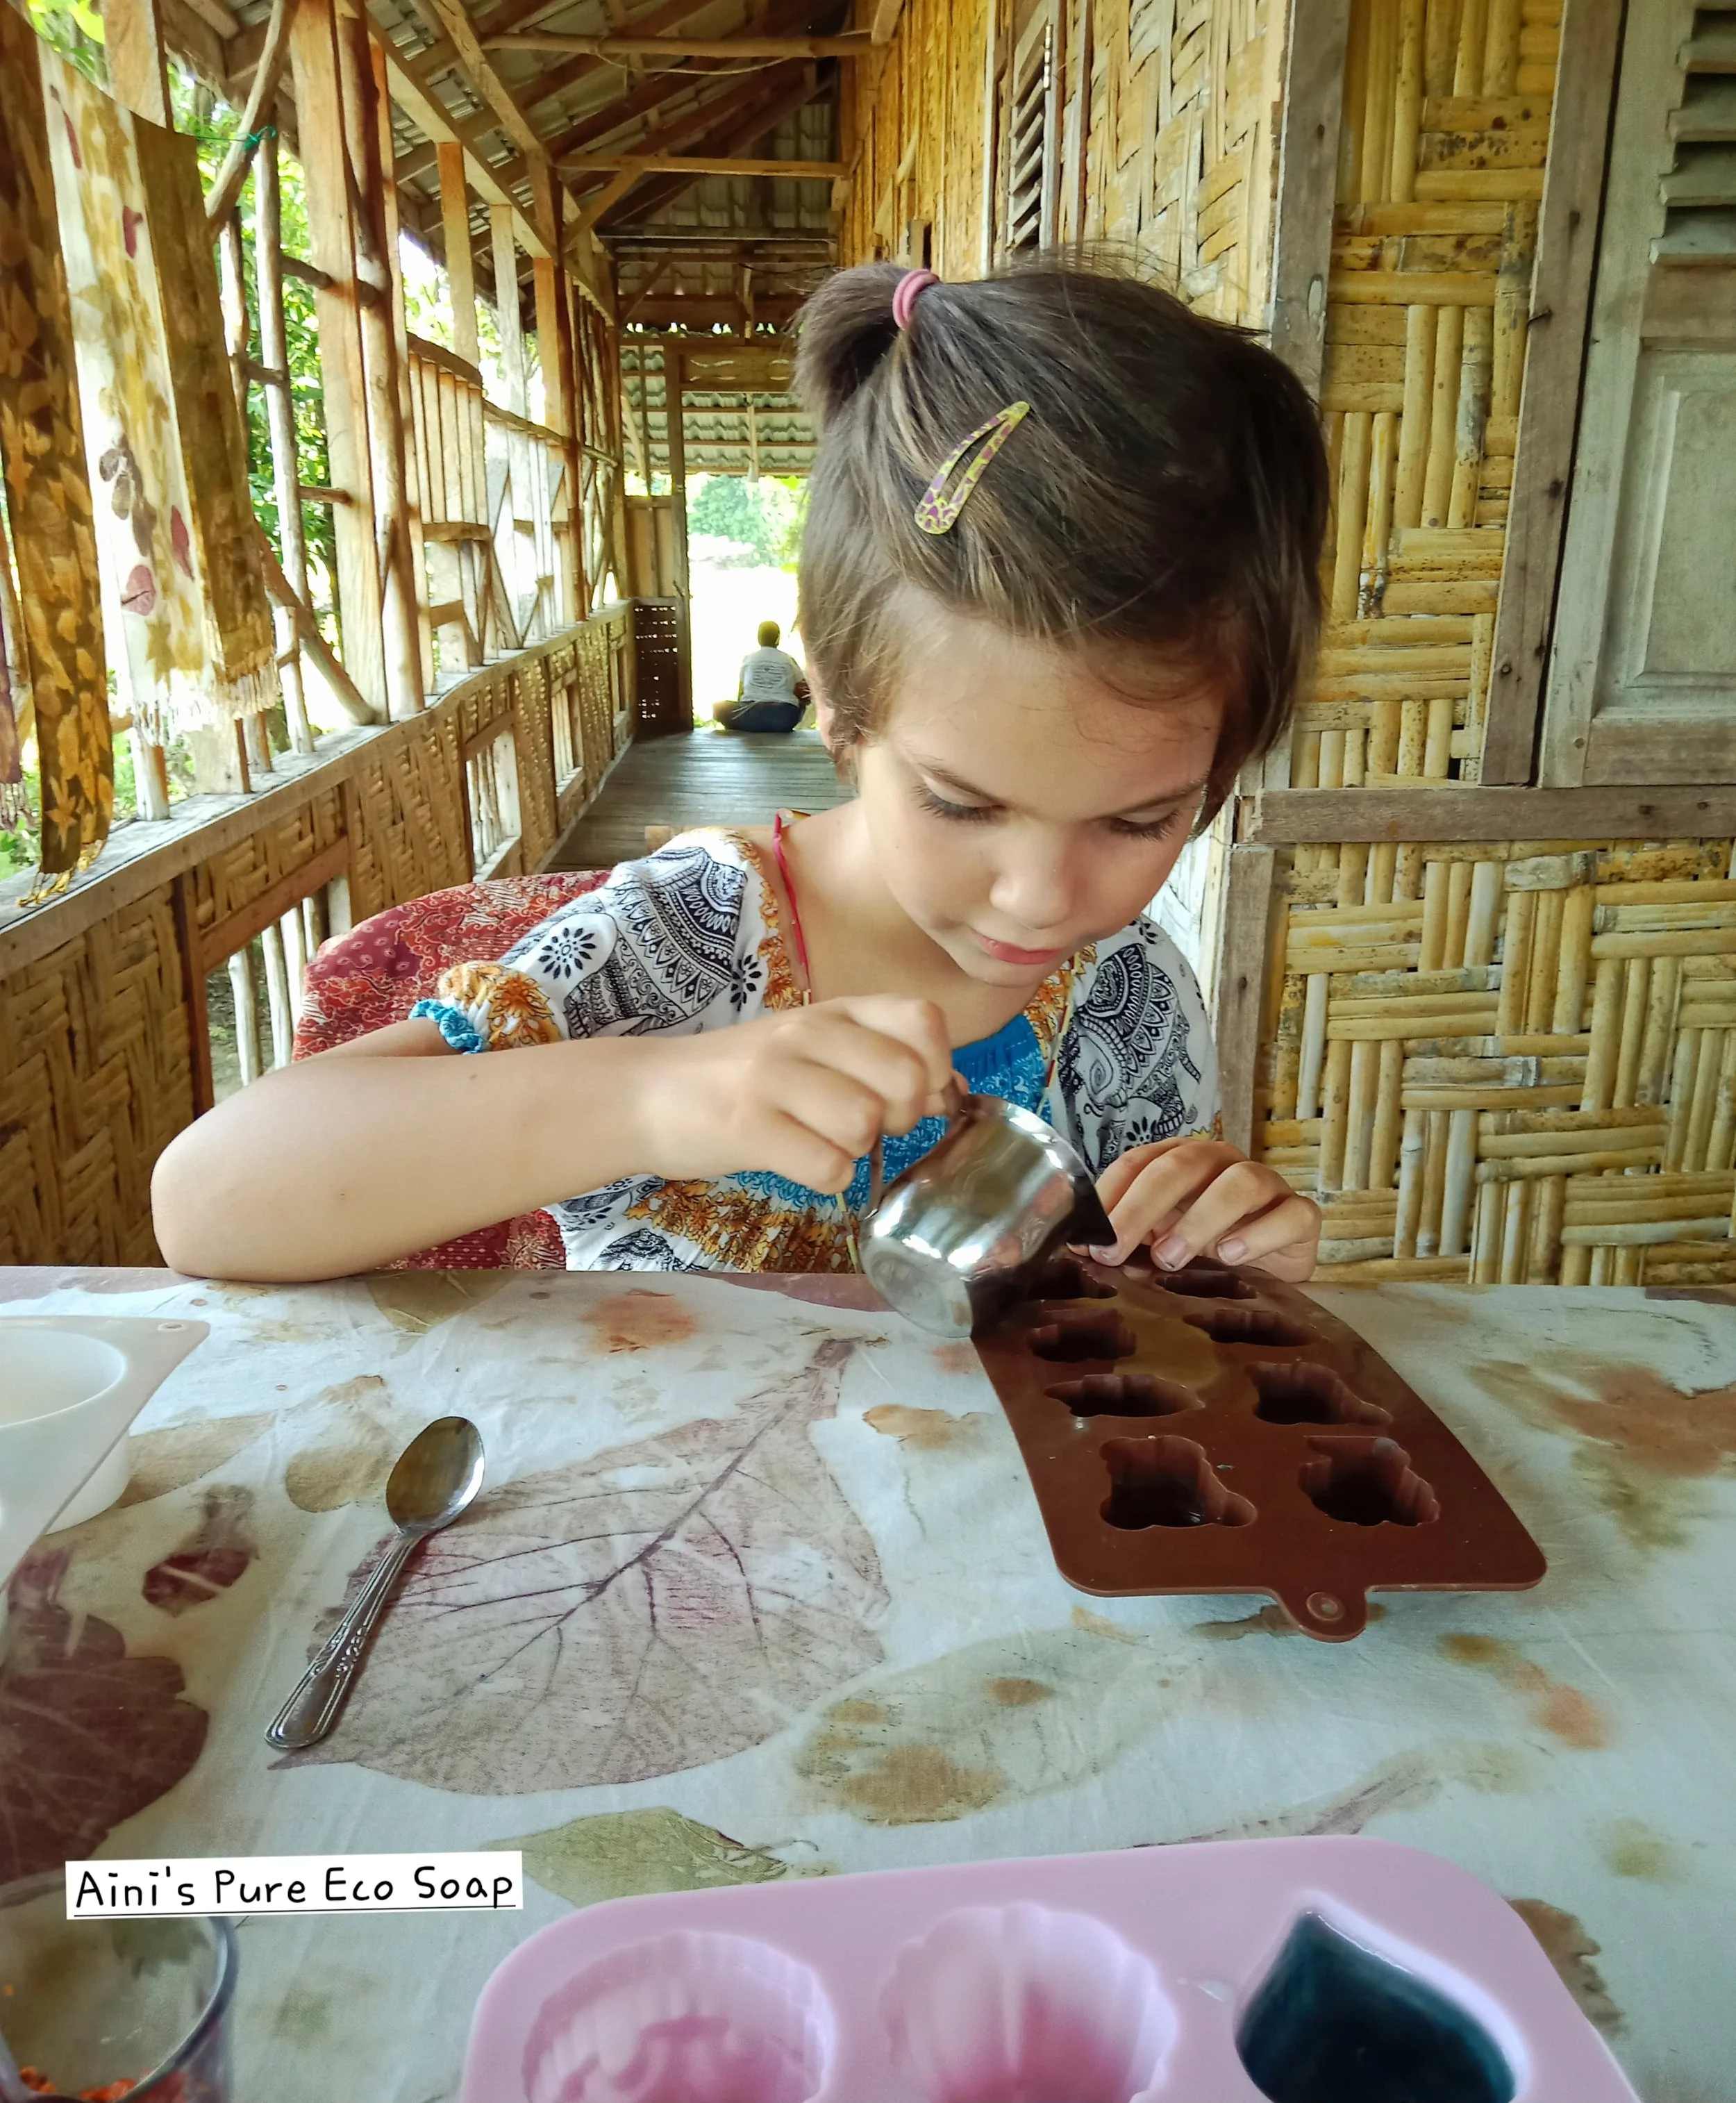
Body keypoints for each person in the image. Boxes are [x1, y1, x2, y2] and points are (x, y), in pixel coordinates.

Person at [153, 257, 1330, 1285]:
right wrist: (663, 1096)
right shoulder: (676, 946)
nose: (1042, 895)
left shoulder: (1136, 998)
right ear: (834, 692)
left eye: (1138, 822)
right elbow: (211, 1199)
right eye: (961, 801)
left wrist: (1224, 1261)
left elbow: (1140, 1319)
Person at [715, 620, 812, 733]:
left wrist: (742, 711)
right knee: (799, 704)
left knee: (719, 707)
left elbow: (741, 692)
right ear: (778, 639)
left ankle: (747, 726)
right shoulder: (788, 660)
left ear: (758, 638)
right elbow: (805, 691)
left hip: (750, 716)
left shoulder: (749, 659)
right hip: (783, 718)